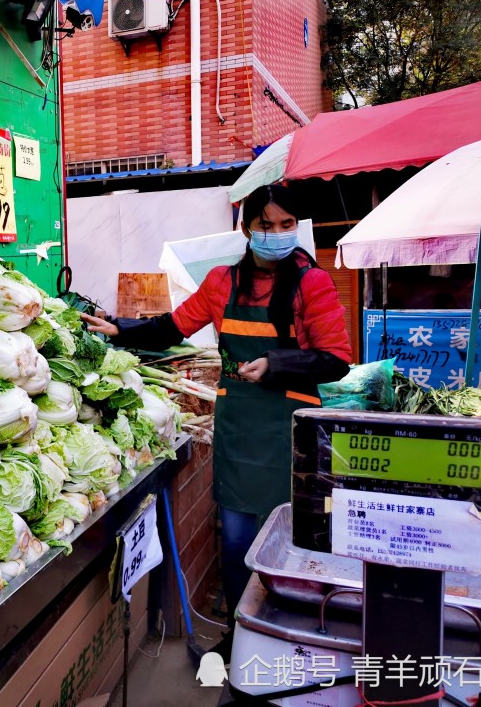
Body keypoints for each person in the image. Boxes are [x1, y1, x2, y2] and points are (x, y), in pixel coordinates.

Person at [82, 184, 351, 657]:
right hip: (237, 426)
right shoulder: (221, 282)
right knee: (236, 537)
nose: (278, 234)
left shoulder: (313, 283)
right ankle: (240, 635)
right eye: (267, 225)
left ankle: (290, 636)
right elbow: (173, 327)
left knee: (288, 537)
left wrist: (276, 364)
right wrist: (121, 329)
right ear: (247, 228)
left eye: (287, 225)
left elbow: (335, 359)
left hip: (288, 429)